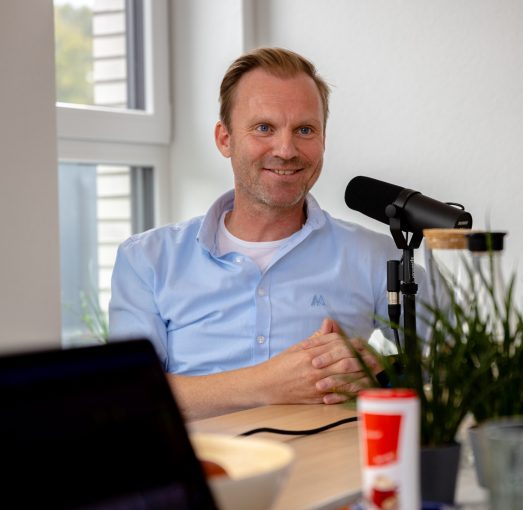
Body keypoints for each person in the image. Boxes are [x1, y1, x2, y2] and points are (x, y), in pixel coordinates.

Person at [109, 47, 407, 420]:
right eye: (264, 128)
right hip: (210, 472)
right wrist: (270, 383)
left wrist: (379, 370)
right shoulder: (146, 259)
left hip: (333, 472)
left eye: (305, 130)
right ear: (225, 139)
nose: (286, 150)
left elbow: (459, 359)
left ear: (324, 139)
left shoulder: (377, 256)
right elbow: (129, 395)